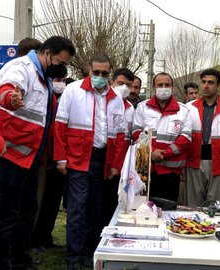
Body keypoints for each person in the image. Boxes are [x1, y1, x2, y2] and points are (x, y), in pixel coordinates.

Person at [0, 36, 75, 270]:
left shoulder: (45, 78)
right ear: (47, 53)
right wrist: (11, 98)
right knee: (6, 216)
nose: (62, 67)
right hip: (10, 157)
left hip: (31, 159)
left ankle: (21, 260)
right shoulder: (22, 67)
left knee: (26, 212)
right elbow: (8, 89)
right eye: (60, 62)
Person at [54, 54, 126, 270]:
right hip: (77, 158)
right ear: (89, 70)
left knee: (95, 208)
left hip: (102, 160)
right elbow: (60, 126)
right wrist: (61, 158)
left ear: (110, 73)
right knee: (77, 208)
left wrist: (115, 164)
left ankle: (89, 251)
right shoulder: (73, 90)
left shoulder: (116, 98)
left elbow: (120, 134)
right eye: (97, 72)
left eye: (105, 73)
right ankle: (74, 256)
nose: (100, 76)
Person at [132, 72, 192, 202]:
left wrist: (164, 154)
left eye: (167, 85)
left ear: (173, 87)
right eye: (160, 85)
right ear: (153, 86)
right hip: (146, 172)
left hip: (172, 173)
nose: (164, 88)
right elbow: (136, 133)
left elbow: (185, 138)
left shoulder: (183, 110)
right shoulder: (143, 108)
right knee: (143, 210)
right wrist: (150, 153)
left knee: (168, 211)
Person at [185, 68, 220, 207]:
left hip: (219, 163)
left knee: (217, 207)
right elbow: (184, 139)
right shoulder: (189, 108)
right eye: (203, 82)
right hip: (194, 162)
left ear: (218, 85)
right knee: (193, 206)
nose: (206, 86)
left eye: (210, 82)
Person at [31, 76, 74, 252]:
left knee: (53, 201)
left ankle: (45, 237)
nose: (60, 83)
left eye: (63, 79)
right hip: (43, 158)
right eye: (57, 79)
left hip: (59, 158)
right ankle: (33, 240)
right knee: (38, 201)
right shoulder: (44, 97)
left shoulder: (65, 99)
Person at [101, 67, 135, 227]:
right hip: (102, 159)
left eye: (128, 85)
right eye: (120, 83)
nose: (124, 88)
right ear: (112, 83)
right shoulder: (103, 102)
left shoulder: (130, 108)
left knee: (113, 202)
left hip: (121, 164)